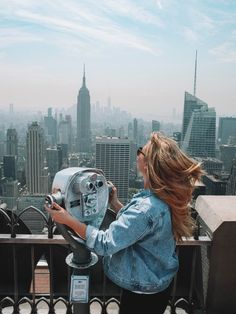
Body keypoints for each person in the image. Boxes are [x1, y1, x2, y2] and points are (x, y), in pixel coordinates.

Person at [46, 132, 203, 314]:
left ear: (149, 164)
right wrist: (115, 203)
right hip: (157, 285)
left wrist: (68, 220)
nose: (137, 154)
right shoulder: (163, 198)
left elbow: (105, 244)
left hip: (141, 293)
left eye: (141, 152)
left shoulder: (146, 208)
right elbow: (141, 230)